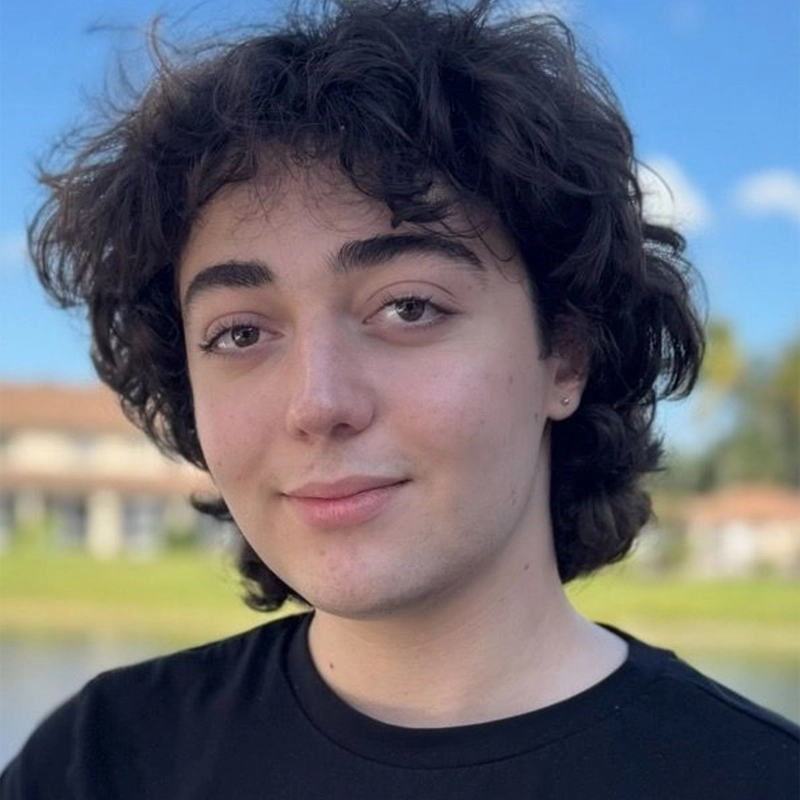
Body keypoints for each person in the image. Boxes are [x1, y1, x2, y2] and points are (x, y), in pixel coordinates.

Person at [2, 1, 797, 797]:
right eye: (240, 334)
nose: (317, 404)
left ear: (565, 356)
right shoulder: (97, 761)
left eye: (409, 307)